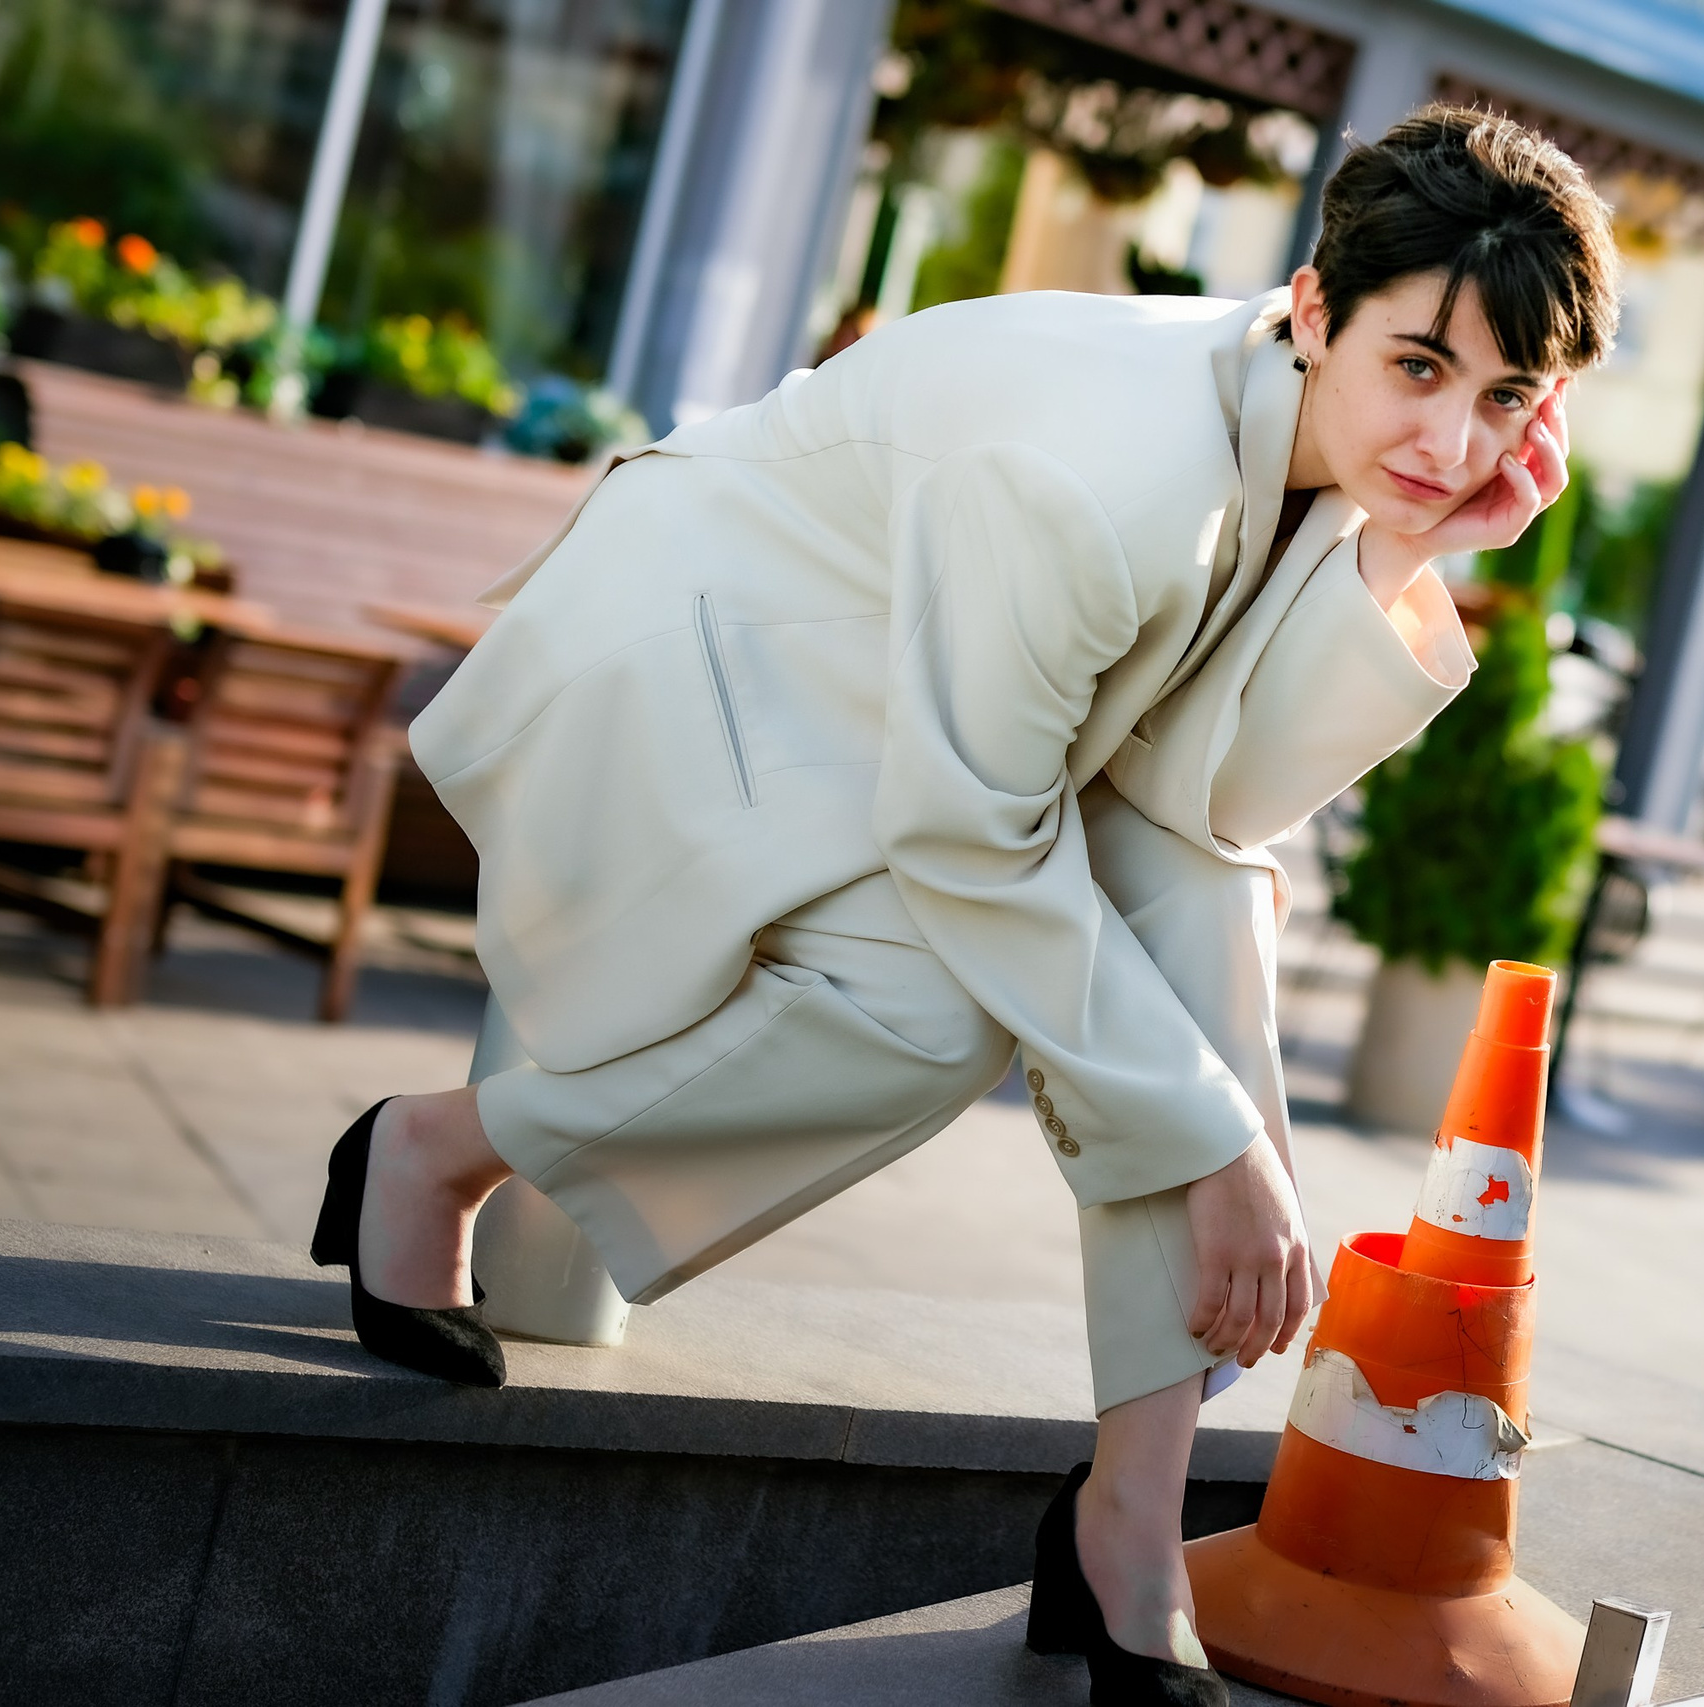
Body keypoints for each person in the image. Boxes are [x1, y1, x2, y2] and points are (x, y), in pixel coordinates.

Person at [309, 106, 1617, 1705]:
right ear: (1317, 308)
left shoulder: (1311, 438)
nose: (1457, 439)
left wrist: (1403, 553)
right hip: (721, 669)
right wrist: (1213, 1142)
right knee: (931, 1015)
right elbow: (975, 844)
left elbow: (1207, 804)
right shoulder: (1111, 478)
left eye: (1504, 401)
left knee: (1208, 904)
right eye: (1420, 369)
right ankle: (431, 1152)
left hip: (908, 719)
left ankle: (1127, 1519)